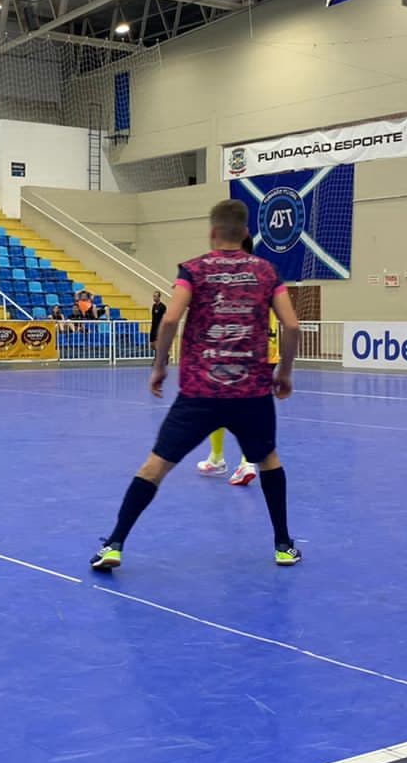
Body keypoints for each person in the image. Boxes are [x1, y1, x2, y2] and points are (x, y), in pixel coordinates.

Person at [90, 200, 300, 571]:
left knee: (156, 466)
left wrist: (158, 367)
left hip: (200, 392)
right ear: (246, 233)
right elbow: (293, 326)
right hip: (251, 393)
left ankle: (115, 544)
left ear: (212, 233)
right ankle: (283, 545)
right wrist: (284, 372)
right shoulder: (267, 272)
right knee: (268, 460)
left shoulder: (194, 270)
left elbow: (170, 319)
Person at [197, 236, 280, 486]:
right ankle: (228, 459)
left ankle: (234, 461)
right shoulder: (265, 274)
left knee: (223, 407)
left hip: (243, 353)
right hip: (268, 352)